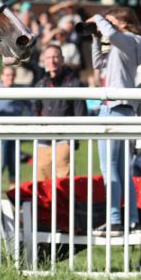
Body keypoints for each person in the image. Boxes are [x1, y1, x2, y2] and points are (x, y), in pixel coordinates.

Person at [89, 8, 141, 236]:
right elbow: (98, 63)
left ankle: (114, 221)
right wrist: (95, 37)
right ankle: (132, 220)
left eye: (112, 21)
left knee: (109, 168)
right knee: (122, 170)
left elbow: (113, 35)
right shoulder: (123, 44)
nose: (107, 26)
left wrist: (99, 19)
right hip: (116, 109)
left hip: (116, 109)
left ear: (123, 22)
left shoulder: (130, 40)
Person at [33, 45, 88, 180]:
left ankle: (66, 201)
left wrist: (74, 139)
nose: (52, 61)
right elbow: (35, 112)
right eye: (49, 58)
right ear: (44, 61)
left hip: (65, 137)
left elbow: (80, 114)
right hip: (44, 138)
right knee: (42, 177)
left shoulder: (74, 84)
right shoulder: (40, 85)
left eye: (56, 57)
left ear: (62, 60)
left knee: (63, 176)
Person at [0, 66, 31, 199]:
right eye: (7, 75)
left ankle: (14, 196)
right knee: (0, 164)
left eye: (12, 75)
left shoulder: (20, 92)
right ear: (1, 76)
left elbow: (31, 107)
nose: (9, 78)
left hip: (15, 134)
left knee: (14, 165)